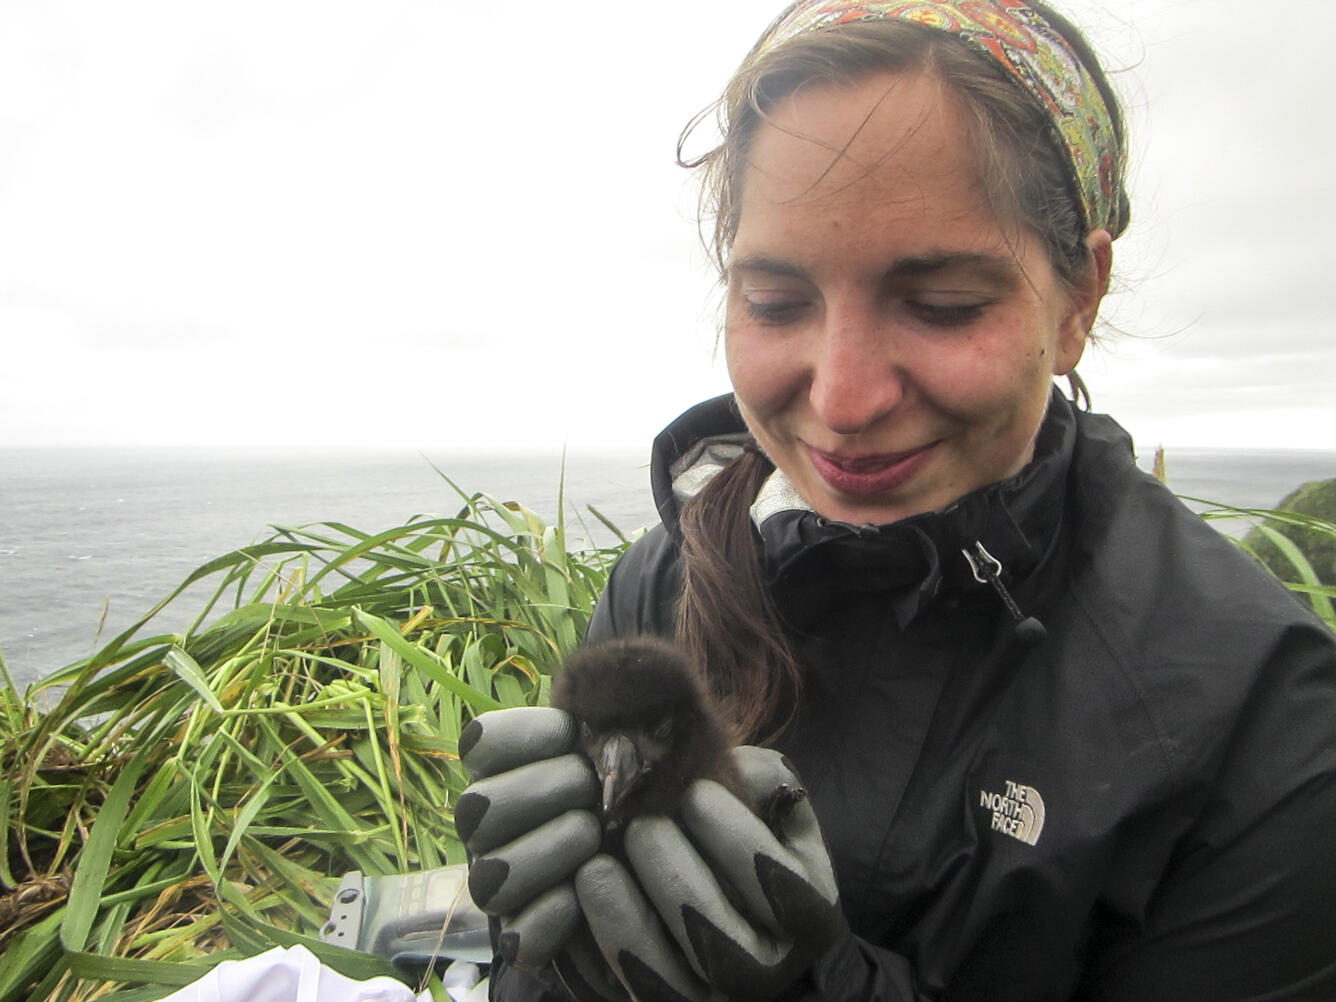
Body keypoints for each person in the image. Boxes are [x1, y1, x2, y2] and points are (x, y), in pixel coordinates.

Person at [456, 2, 1336, 999]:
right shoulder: (665, 580)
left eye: (942, 306)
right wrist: (555, 961)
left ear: (1078, 300)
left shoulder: (1264, 734)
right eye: (778, 303)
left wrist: (811, 987)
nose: (840, 401)